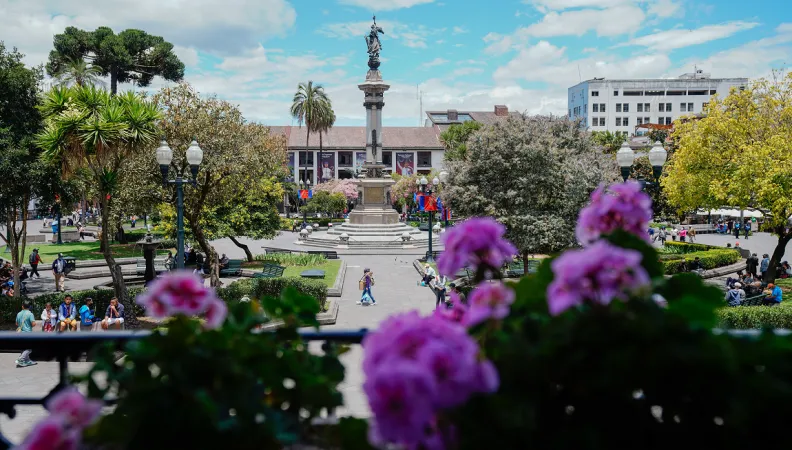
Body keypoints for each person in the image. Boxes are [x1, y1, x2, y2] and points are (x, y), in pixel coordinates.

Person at [15, 301, 37, 368]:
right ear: (29, 307)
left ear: (22, 306)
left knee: (24, 347)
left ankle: (27, 360)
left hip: (20, 333)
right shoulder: (30, 314)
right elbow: (33, 324)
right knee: (29, 348)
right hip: (27, 333)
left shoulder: (19, 313)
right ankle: (21, 359)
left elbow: (16, 324)